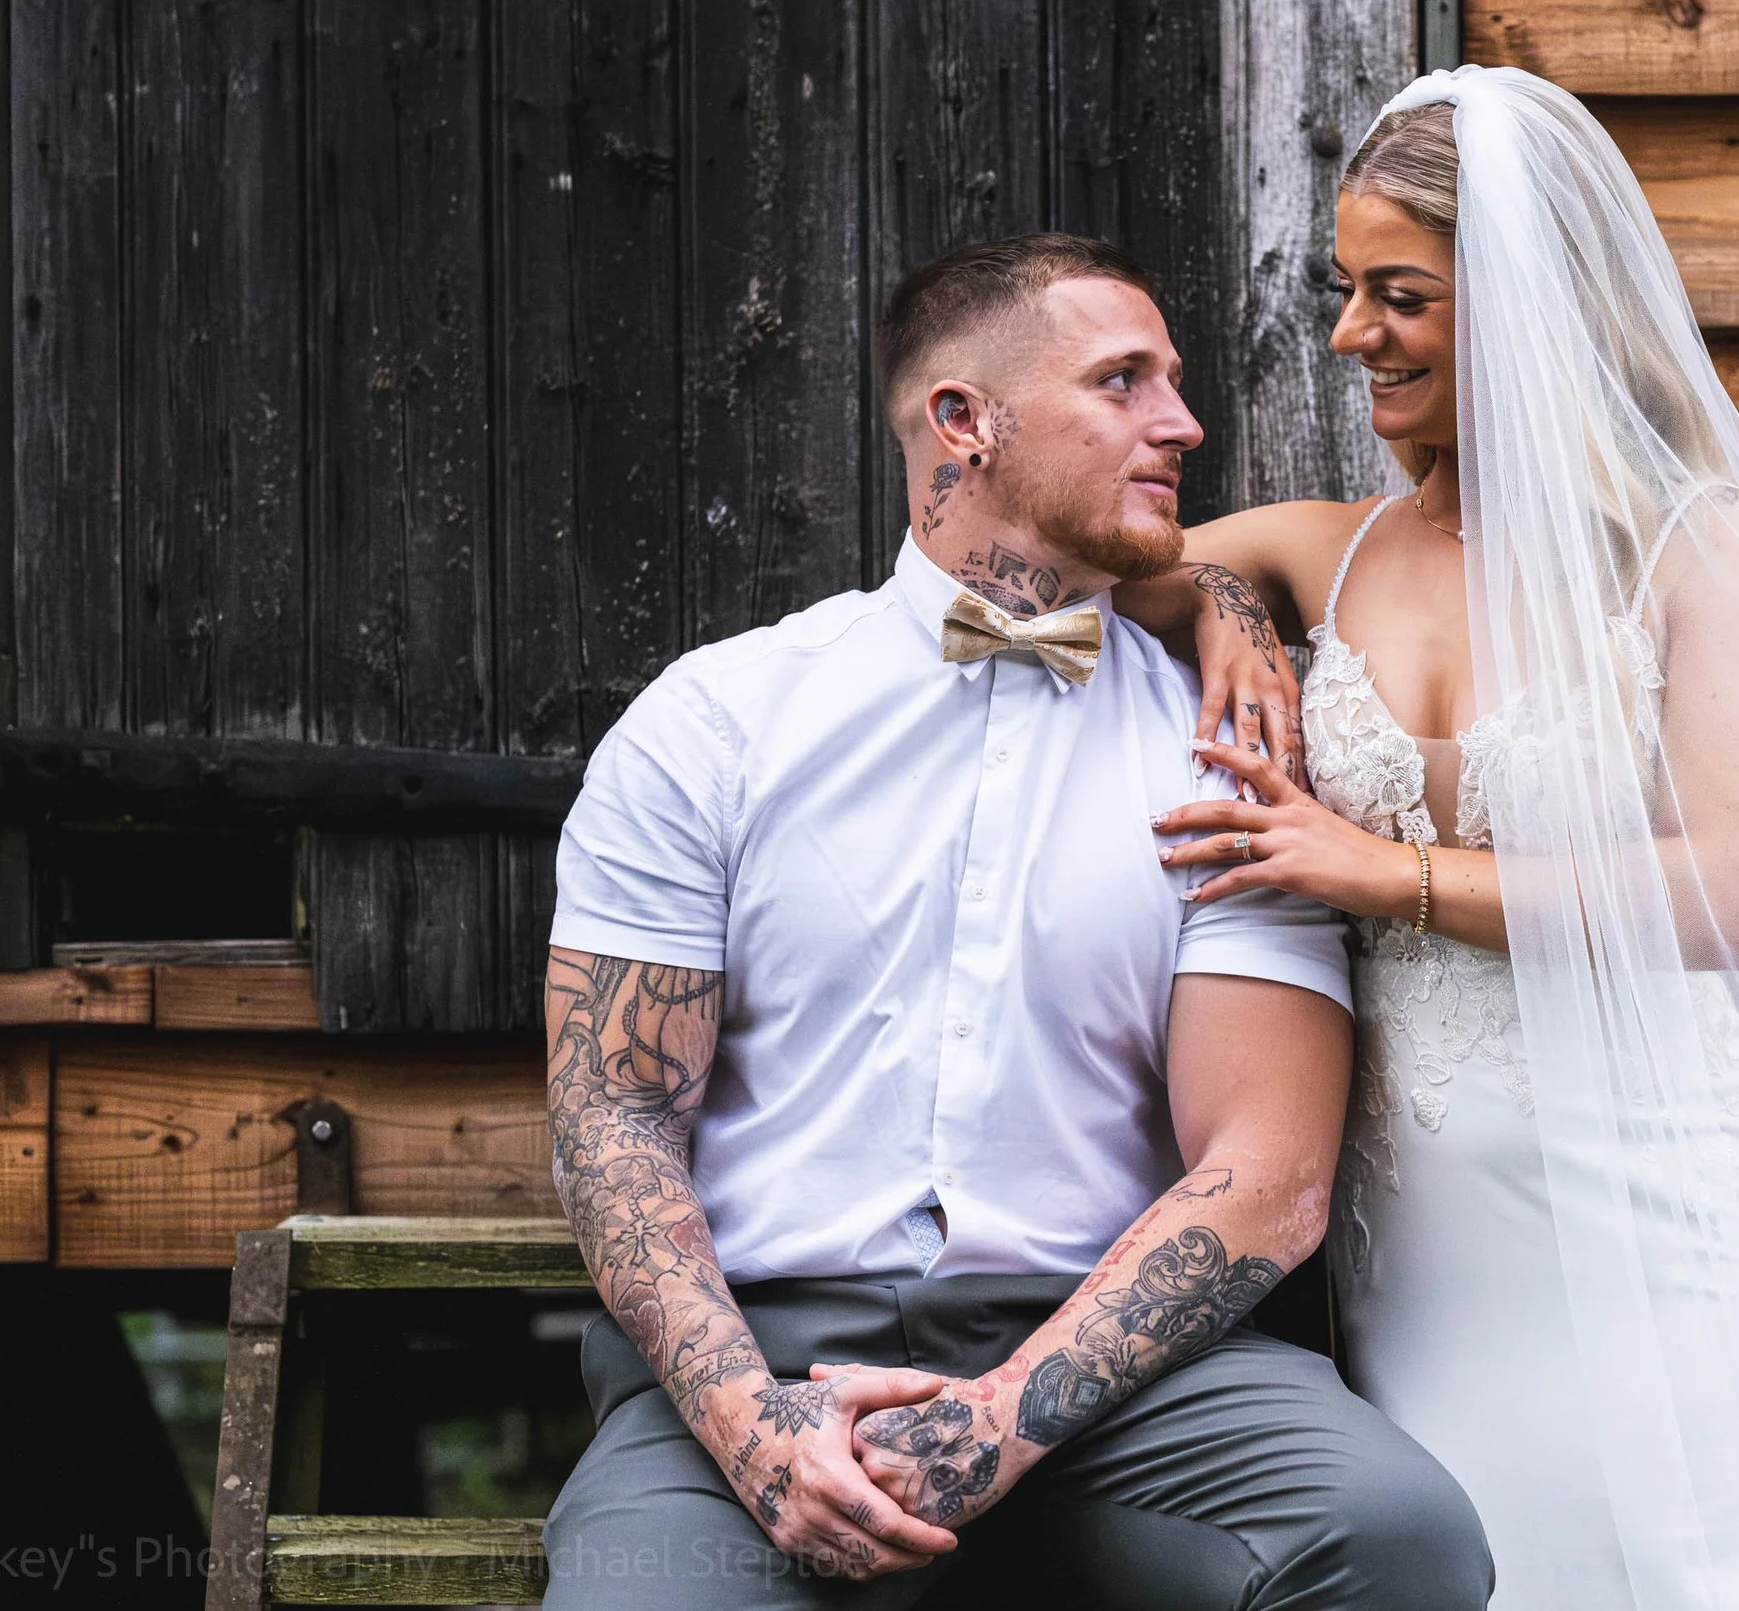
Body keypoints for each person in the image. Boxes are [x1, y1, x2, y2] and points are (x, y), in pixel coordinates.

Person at [1114, 68, 1739, 1611]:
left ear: (1530, 300)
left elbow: (1728, 894)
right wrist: (1225, 602)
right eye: (1348, 291)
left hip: (1668, 1204)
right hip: (1425, 1236)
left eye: (1398, 295)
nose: (1351, 334)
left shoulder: (1708, 551)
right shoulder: (1324, 550)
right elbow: (1086, 572)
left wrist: (1380, 872)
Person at [538, 233, 1490, 1610]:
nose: (1185, 421)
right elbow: (616, 1121)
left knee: (1396, 1535)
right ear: (963, 423)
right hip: (756, 1365)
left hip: (1131, 1385)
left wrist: (997, 1422)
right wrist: (756, 1431)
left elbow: (1268, 1170)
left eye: (1174, 382)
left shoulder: (1232, 753)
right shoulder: (715, 722)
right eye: (1125, 382)